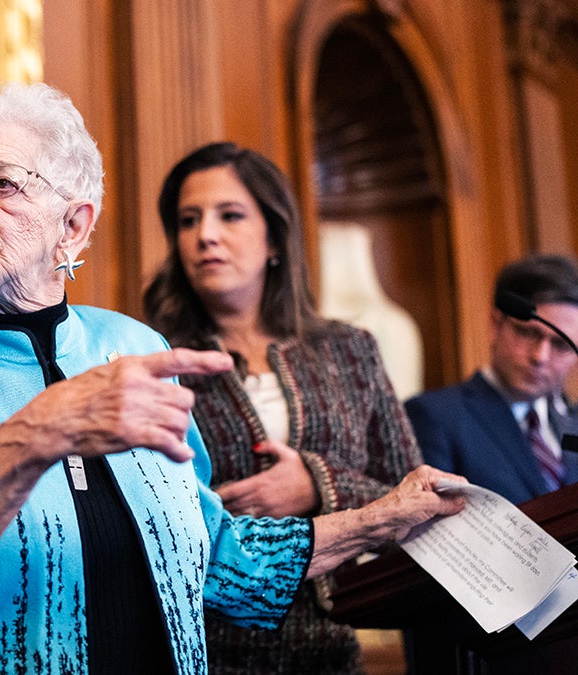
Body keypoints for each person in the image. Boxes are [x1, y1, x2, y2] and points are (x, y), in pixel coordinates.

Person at [0, 80, 464, 673]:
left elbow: (217, 563)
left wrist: (382, 519)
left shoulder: (132, 345)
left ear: (73, 225)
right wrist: (43, 429)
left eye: (2, 183)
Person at [141, 142, 423, 674]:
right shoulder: (152, 356)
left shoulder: (350, 349)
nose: (205, 235)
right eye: (187, 220)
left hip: (336, 649)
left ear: (273, 237)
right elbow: (138, 519)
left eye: (230, 215)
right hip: (201, 650)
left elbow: (410, 498)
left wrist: (318, 485)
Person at [405, 254, 578, 504]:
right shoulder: (434, 416)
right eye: (527, 333)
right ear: (495, 325)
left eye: (561, 344)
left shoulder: (573, 421)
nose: (540, 356)